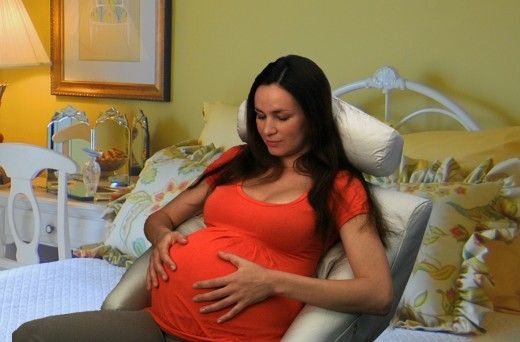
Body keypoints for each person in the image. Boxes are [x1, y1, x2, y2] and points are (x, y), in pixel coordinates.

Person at [14, 55, 392, 342]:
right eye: (259, 116)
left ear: (312, 117)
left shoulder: (339, 186)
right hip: (160, 323)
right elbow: (159, 219)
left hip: (238, 335)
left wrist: (271, 282)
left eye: (282, 116)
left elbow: (377, 292)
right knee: (31, 335)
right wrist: (162, 239)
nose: (267, 129)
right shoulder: (237, 161)